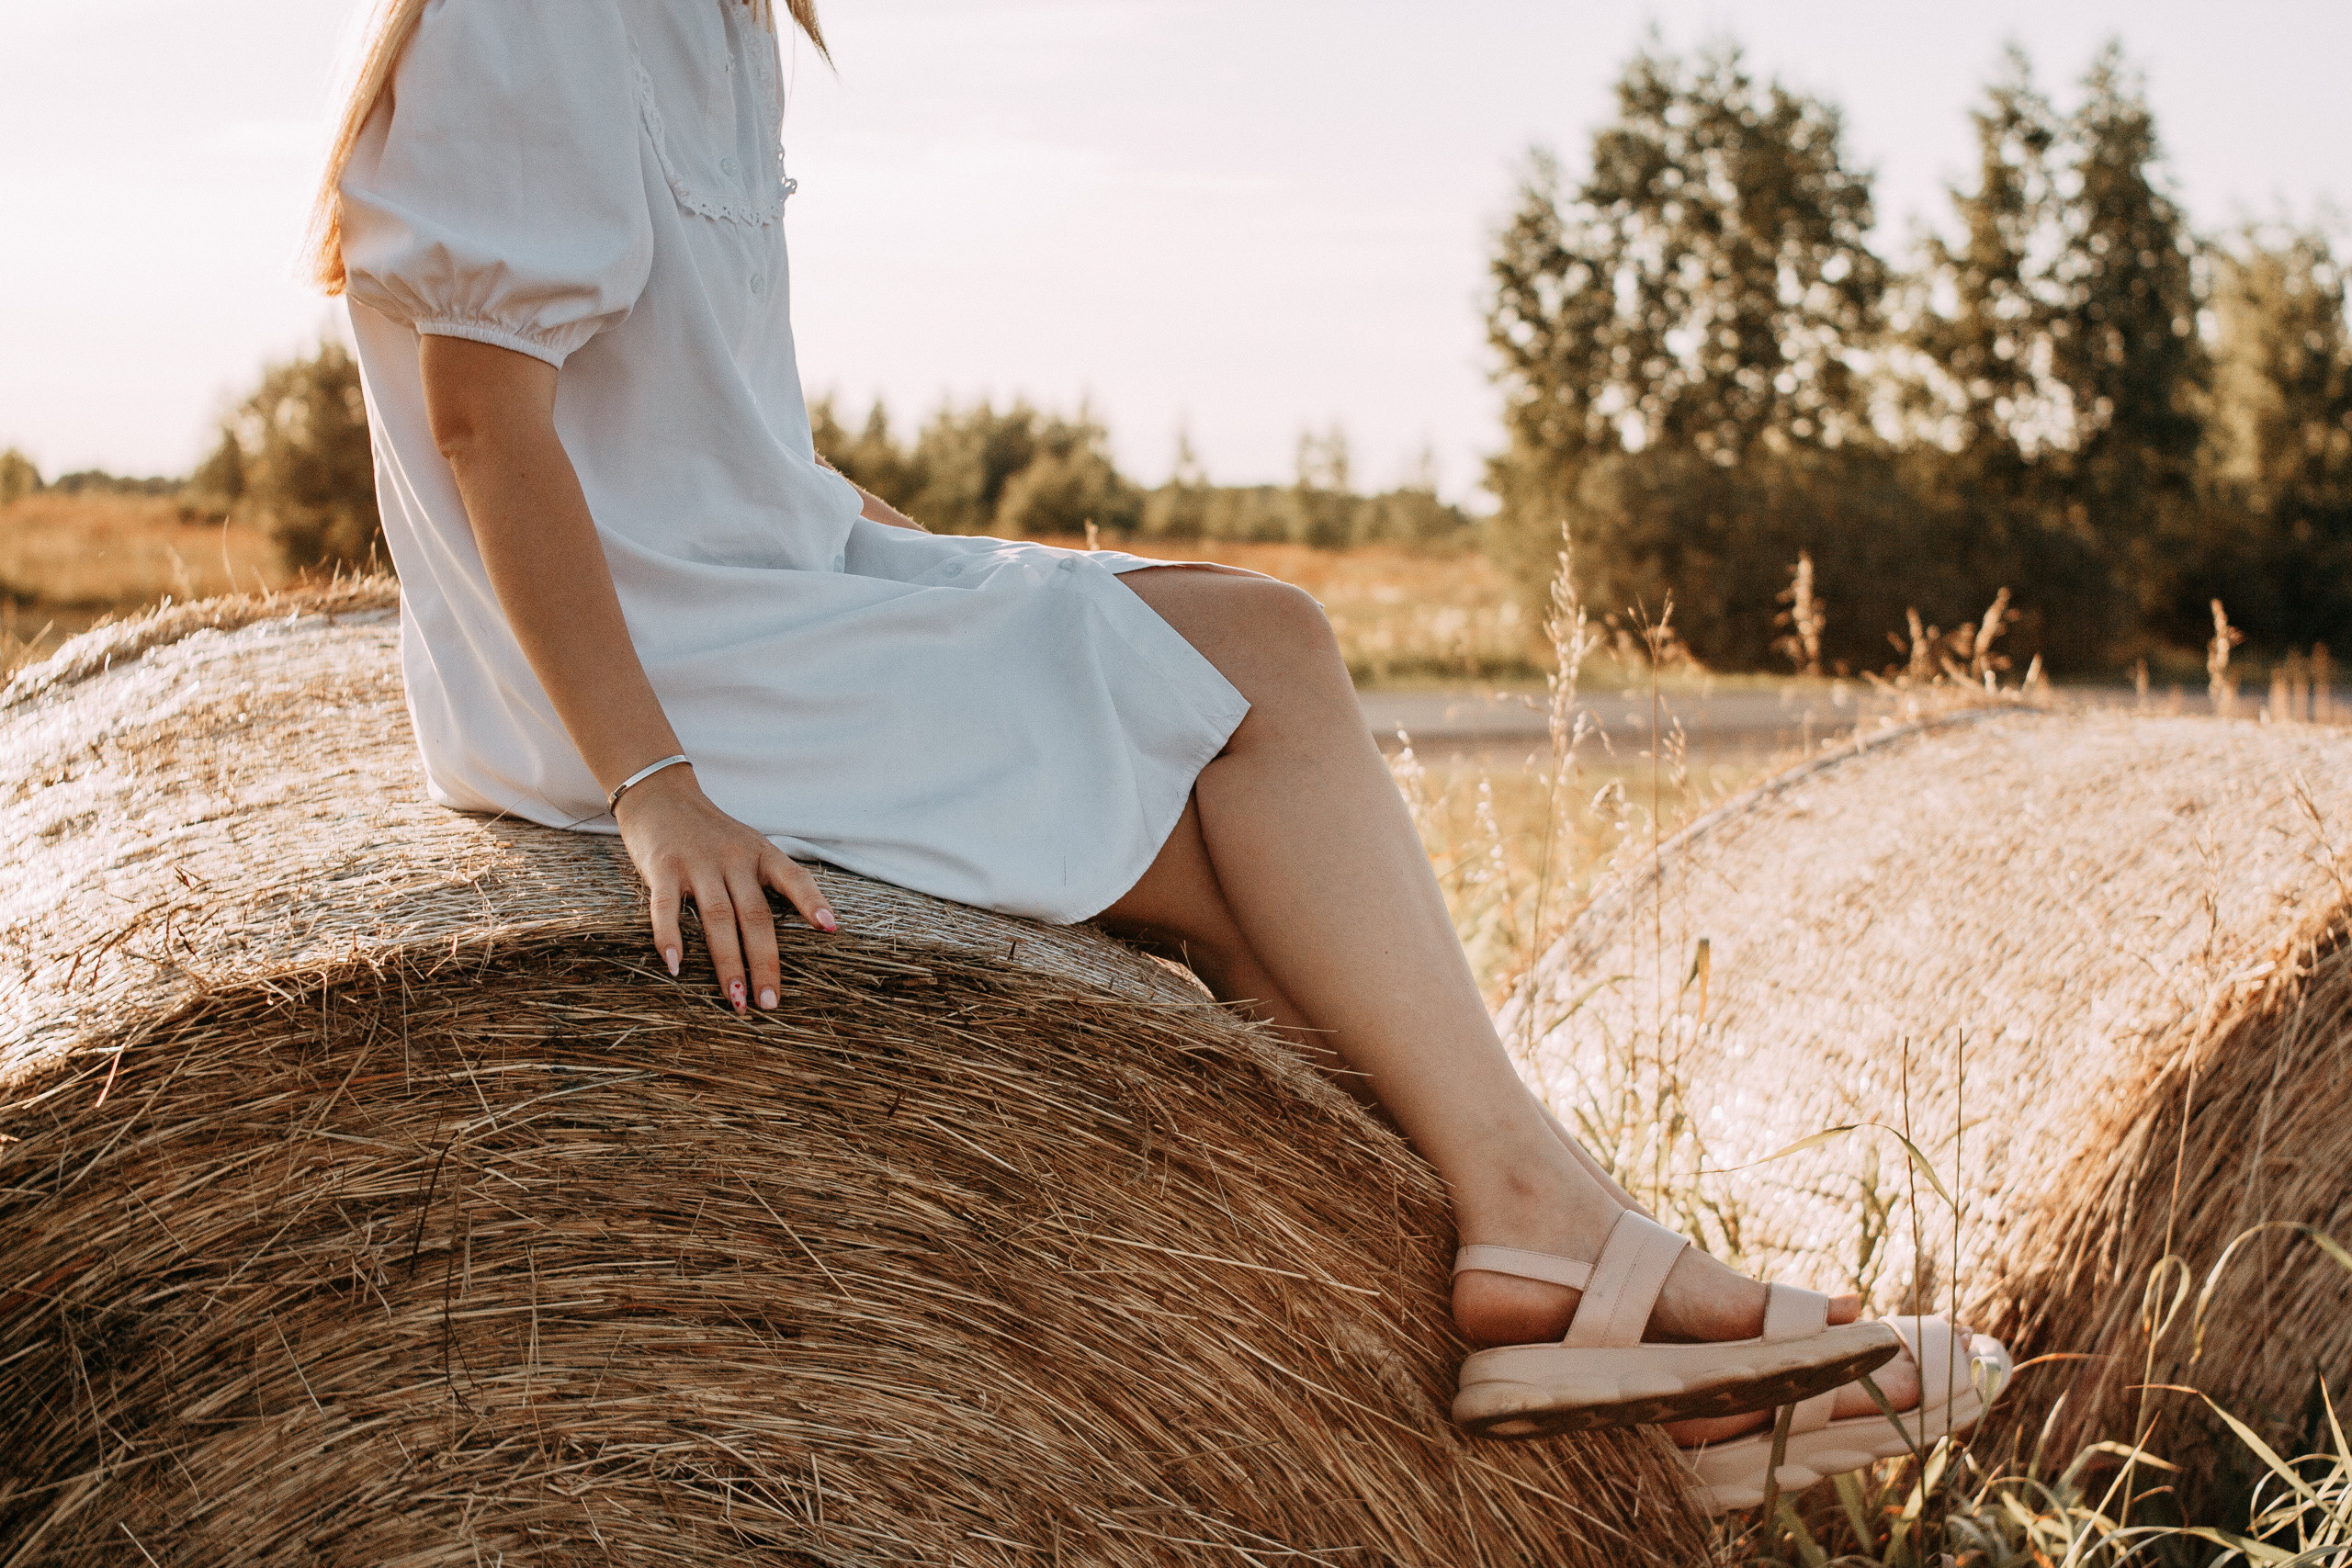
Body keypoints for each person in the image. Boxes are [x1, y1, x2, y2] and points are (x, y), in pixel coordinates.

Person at [309, 0, 1995, 1464]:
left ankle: (1580, 1393)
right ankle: (1562, 1235)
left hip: (758, 595)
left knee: (1251, 874)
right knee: (1266, 644)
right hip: (645, 670)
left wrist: (951, 570)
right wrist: (654, 786)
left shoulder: (728, 21)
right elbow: (481, 421)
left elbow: (711, 440)